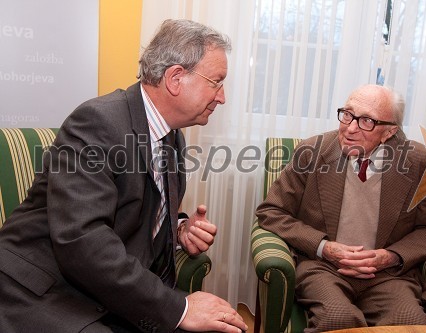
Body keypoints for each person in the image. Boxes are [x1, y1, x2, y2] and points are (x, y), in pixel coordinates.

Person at [0, 19, 247, 333]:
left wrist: (180, 228)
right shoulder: (97, 122)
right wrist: (180, 308)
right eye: (216, 81)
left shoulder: (173, 136)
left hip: (103, 289)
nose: (222, 97)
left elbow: (136, 207)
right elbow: (83, 240)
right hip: (44, 290)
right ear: (175, 78)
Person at [256, 84, 426, 332]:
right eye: (347, 114)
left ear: (389, 132)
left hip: (388, 275)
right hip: (323, 268)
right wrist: (326, 248)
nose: (350, 128)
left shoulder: (420, 162)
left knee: (410, 324)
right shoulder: (311, 151)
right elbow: (271, 211)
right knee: (338, 319)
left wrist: (389, 257)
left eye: (366, 120)